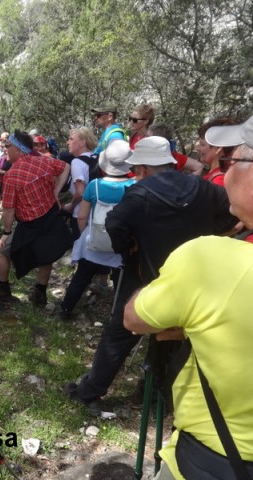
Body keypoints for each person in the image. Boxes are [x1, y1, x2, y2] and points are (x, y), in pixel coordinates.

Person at [64, 136, 237, 416]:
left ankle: (91, 391)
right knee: (172, 335)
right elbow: (231, 214)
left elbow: (115, 223)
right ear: (169, 163)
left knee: (120, 332)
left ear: (143, 168)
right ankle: (156, 395)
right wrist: (209, 234)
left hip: (144, 276)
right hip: (192, 279)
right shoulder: (203, 188)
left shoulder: (139, 195)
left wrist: (129, 248)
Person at [124, 119, 253, 480]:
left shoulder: (209, 260)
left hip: (214, 457)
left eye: (231, 163)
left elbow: (134, 318)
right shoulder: (201, 189)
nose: (223, 173)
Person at [0, 130, 71, 305]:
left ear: (18, 149)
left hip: (30, 224)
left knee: (0, 251)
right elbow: (66, 167)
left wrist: (6, 232)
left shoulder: (12, 175)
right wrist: (56, 191)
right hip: (50, 217)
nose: (5, 149)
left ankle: (3, 289)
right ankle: (40, 293)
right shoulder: (44, 162)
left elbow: (8, 210)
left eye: (8, 146)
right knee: (47, 255)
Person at [59, 140, 135, 319]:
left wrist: (85, 233)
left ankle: (65, 309)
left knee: (82, 275)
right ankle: (118, 316)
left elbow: (83, 215)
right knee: (120, 279)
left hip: (94, 240)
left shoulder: (95, 186)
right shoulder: (134, 187)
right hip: (120, 244)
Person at [63, 127, 98, 242]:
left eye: (71, 139)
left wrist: (71, 205)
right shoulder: (96, 157)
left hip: (80, 214)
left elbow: (80, 193)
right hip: (96, 212)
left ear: (83, 142)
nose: (68, 142)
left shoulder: (76, 162)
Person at [196, 116, 239, 185]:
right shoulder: (216, 174)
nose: (197, 148)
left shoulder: (219, 181)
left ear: (218, 148)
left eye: (202, 144)